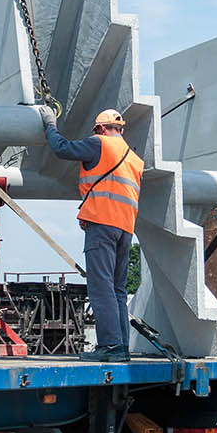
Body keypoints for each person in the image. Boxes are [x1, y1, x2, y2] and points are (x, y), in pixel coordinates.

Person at [37, 105, 144, 360]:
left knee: (100, 287)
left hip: (102, 224)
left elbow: (62, 148)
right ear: (121, 129)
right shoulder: (134, 158)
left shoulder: (100, 144)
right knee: (117, 290)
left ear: (101, 129)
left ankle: (108, 346)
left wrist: (50, 124)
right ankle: (119, 348)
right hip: (125, 229)